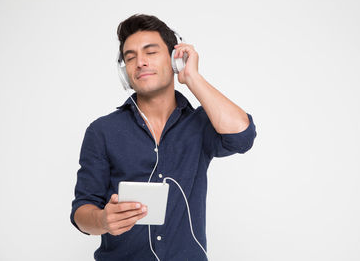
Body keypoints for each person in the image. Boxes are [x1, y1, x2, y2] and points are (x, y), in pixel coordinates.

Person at [70, 14, 257, 261]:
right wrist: (103, 220)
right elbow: (82, 212)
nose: (140, 63)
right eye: (130, 57)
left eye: (150, 52)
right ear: (125, 71)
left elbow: (242, 136)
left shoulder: (201, 123)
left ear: (174, 60)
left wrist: (192, 78)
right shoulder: (102, 130)